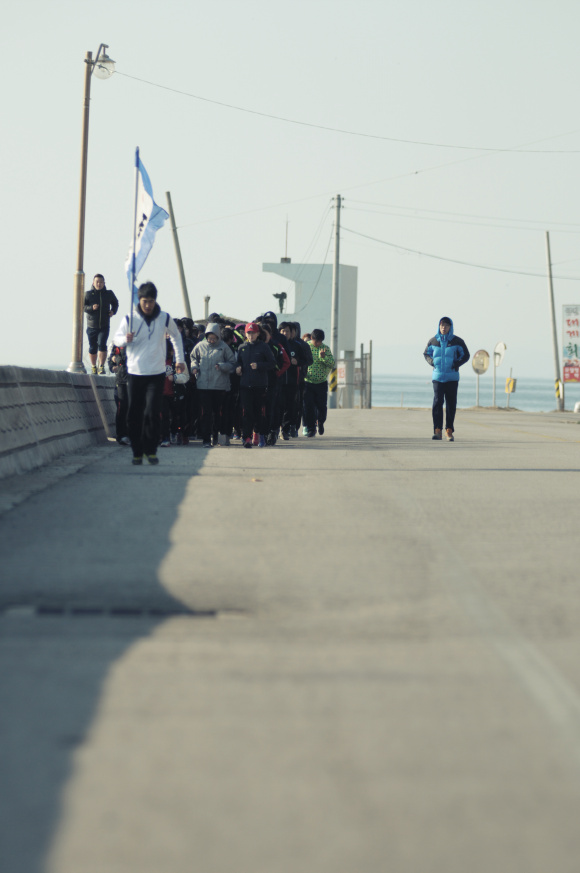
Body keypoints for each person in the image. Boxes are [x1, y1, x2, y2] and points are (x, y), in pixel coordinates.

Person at [113, 281, 185, 465]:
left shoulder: (164, 318)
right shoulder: (130, 319)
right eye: (145, 301)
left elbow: (176, 336)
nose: (148, 305)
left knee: (152, 412)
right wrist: (125, 339)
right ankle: (137, 451)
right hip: (135, 372)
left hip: (156, 372)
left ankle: (151, 450)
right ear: (139, 300)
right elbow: (116, 338)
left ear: (155, 301)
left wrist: (180, 360)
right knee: (135, 414)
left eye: (151, 301)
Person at [423, 316, 470, 441]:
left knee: (451, 404)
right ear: (439, 326)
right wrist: (432, 362)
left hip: (452, 377)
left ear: (450, 327)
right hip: (437, 377)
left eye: (446, 325)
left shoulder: (457, 341)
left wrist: (456, 363)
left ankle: (449, 430)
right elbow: (426, 353)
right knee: (437, 402)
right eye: (442, 325)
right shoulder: (433, 341)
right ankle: (437, 430)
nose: (444, 328)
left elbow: (466, 355)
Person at [190, 321, 236, 448]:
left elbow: (232, 363)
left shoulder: (224, 347)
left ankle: (215, 436)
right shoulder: (200, 346)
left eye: (214, 338)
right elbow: (193, 358)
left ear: (218, 336)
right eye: (209, 338)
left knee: (217, 413)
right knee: (206, 413)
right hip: (203, 385)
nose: (211, 340)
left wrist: (222, 366)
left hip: (219, 386)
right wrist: (194, 367)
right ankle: (206, 439)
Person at [235, 323, 275, 448]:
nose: (250, 335)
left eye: (253, 333)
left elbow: (272, 363)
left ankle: (259, 434)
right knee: (247, 412)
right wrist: (238, 368)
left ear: (258, 333)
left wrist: (259, 365)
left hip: (260, 385)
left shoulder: (264, 347)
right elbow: (238, 362)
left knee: (259, 412)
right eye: (248, 333)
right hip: (245, 385)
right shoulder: (242, 347)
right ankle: (246, 437)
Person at [84, 274, 119, 374]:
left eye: (101, 282)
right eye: (97, 282)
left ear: (104, 283)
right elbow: (82, 307)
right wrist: (91, 308)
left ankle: (102, 366)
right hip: (92, 326)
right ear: (93, 283)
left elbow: (115, 303)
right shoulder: (88, 294)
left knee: (102, 344)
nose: (99, 284)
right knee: (92, 347)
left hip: (104, 325)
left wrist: (113, 311)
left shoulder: (108, 294)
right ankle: (93, 366)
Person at [303, 329, 335, 437]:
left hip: (321, 383)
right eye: (316, 341)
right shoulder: (306, 346)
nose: (318, 343)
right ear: (311, 338)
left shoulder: (325, 348)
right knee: (309, 406)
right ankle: (311, 428)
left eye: (320, 341)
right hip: (308, 382)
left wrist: (323, 357)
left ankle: (320, 422)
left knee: (321, 406)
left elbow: (332, 364)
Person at [107, 341, 130, 445]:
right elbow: (112, 358)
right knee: (122, 406)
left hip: (137, 378)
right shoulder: (117, 342)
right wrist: (113, 365)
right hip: (122, 379)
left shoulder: (140, 339)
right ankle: (122, 435)